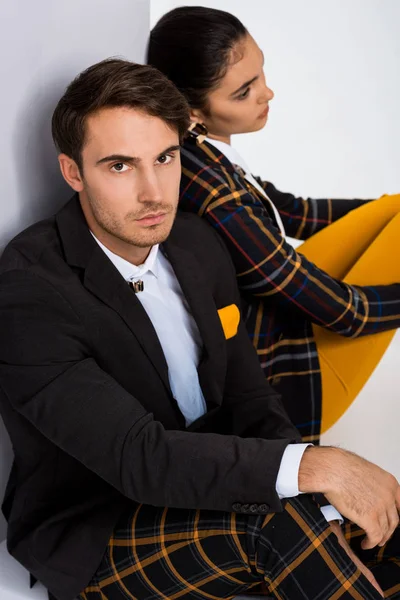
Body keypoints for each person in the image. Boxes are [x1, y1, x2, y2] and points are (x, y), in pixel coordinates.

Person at [0, 58, 399, 600]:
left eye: (164, 158)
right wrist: (314, 465)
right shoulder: (29, 290)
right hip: (100, 523)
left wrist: (317, 497)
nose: (153, 192)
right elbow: (140, 459)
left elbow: (251, 397)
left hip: (203, 479)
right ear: (73, 172)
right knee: (281, 520)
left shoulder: (195, 244)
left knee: (377, 519)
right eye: (120, 166)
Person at [147, 6, 400, 443]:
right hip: (282, 383)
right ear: (192, 110)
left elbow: (293, 211)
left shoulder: (199, 155)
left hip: (277, 326)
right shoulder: (212, 191)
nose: (268, 93)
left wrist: (383, 207)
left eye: (260, 73)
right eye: (243, 92)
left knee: (396, 208)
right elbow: (345, 316)